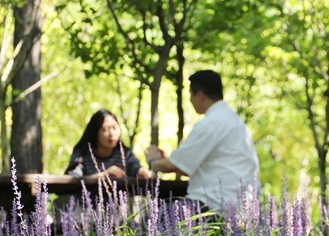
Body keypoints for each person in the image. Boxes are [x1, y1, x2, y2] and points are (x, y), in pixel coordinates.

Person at [145, 70, 259, 213]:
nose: (190, 101)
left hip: (213, 206)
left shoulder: (211, 123)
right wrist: (169, 161)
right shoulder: (235, 121)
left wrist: (153, 161)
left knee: (155, 217)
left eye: (190, 95)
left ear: (199, 95)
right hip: (243, 208)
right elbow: (187, 166)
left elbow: (174, 166)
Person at [66, 109, 153, 179]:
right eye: (105, 129)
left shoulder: (125, 154)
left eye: (114, 128)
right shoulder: (82, 155)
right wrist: (102, 175)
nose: (111, 134)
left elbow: (136, 168)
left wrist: (142, 172)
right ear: (95, 132)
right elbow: (72, 179)